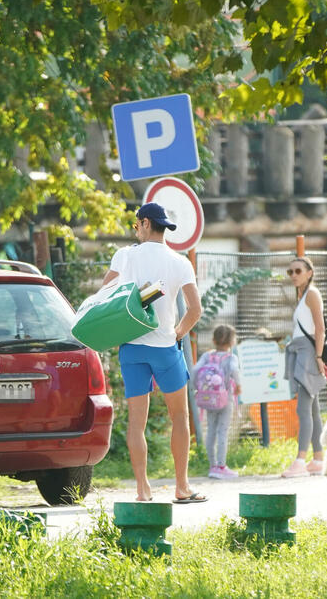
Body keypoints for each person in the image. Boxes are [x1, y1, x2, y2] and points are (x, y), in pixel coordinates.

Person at [101, 202, 205, 504]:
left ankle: (142, 489)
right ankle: (182, 486)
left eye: (137, 225)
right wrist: (178, 333)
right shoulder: (179, 262)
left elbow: (104, 295)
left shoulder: (124, 256)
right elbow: (195, 310)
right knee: (179, 417)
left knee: (137, 422)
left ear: (146, 223)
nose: (136, 230)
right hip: (164, 348)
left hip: (132, 347)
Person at [281, 256, 327, 478]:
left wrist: (318, 356)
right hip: (303, 352)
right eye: (290, 272)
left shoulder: (312, 294)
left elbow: (320, 328)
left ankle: (300, 460)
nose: (293, 275)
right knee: (313, 410)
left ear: (310, 272)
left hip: (308, 354)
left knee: (303, 409)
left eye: (298, 271)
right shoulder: (303, 295)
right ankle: (318, 459)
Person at [191, 324, 242, 480]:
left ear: (213, 340)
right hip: (225, 399)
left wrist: (197, 387)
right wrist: (238, 385)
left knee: (211, 430)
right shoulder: (231, 357)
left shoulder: (207, 356)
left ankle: (212, 466)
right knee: (222, 431)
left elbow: (195, 370)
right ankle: (221, 466)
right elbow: (234, 370)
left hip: (209, 399)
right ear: (232, 342)